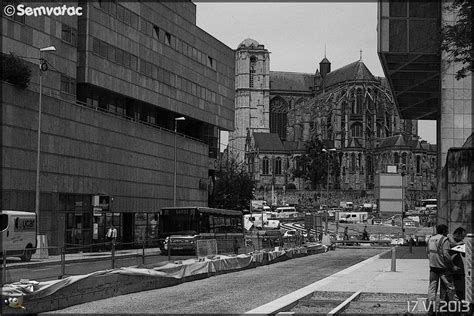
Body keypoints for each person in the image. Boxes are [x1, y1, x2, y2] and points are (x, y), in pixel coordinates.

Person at [427, 224, 458, 313]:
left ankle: (431, 309)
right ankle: (442, 309)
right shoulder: (444, 240)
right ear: (444, 231)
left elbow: (428, 253)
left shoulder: (430, 239)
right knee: (445, 288)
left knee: (432, 288)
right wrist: (452, 265)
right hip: (443, 268)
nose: (448, 232)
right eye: (447, 231)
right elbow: (446, 255)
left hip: (433, 267)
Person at [449, 227, 466, 300]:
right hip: (450, 266)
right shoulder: (449, 238)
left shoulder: (461, 242)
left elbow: (464, 254)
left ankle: (461, 300)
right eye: (462, 236)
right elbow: (451, 244)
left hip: (459, 266)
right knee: (450, 286)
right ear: (457, 234)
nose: (463, 238)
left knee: (461, 285)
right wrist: (459, 244)